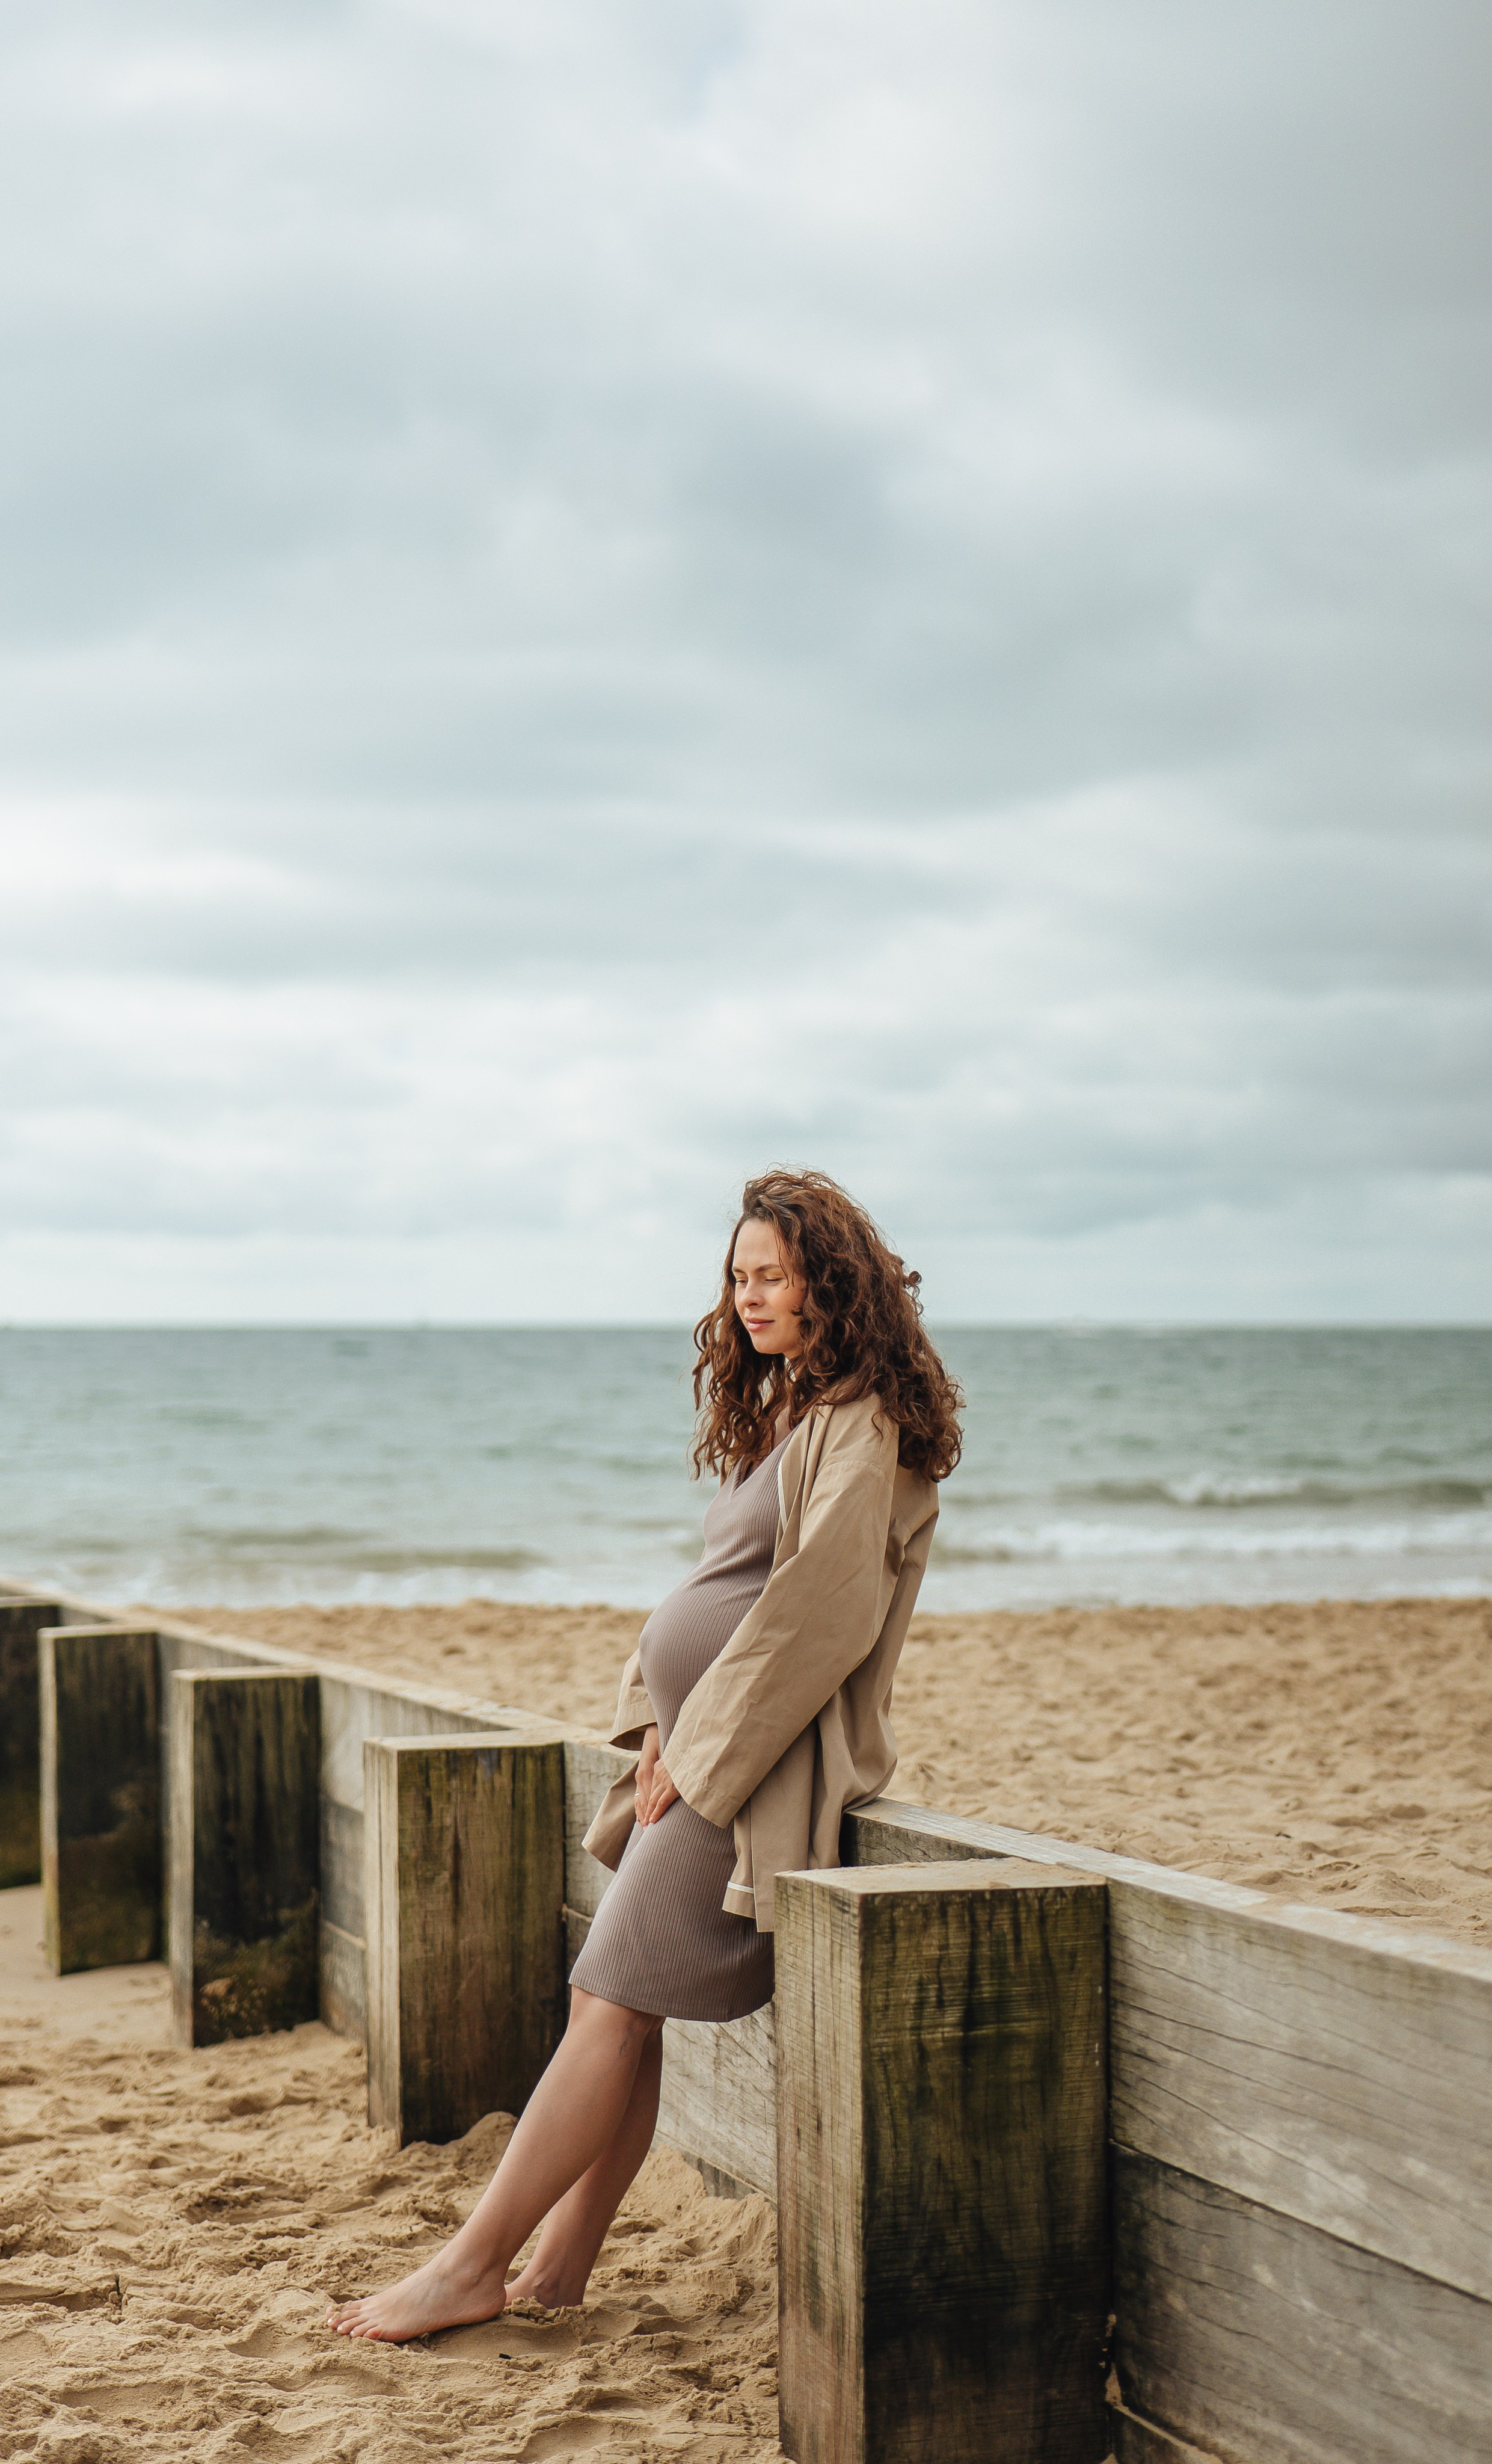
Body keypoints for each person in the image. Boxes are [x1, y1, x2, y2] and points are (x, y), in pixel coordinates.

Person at [327, 1166, 962, 2342]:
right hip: (705, 1757)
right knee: (613, 2002)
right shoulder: (790, 1407)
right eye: (738, 1273)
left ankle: (470, 2263)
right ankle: (559, 2261)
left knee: (607, 2005)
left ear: (831, 1281)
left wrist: (703, 1753)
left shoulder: (861, 1421)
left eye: (774, 1273)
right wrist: (662, 1722)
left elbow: (819, 1616)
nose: (750, 1293)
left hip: (749, 1775)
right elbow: (717, 1591)